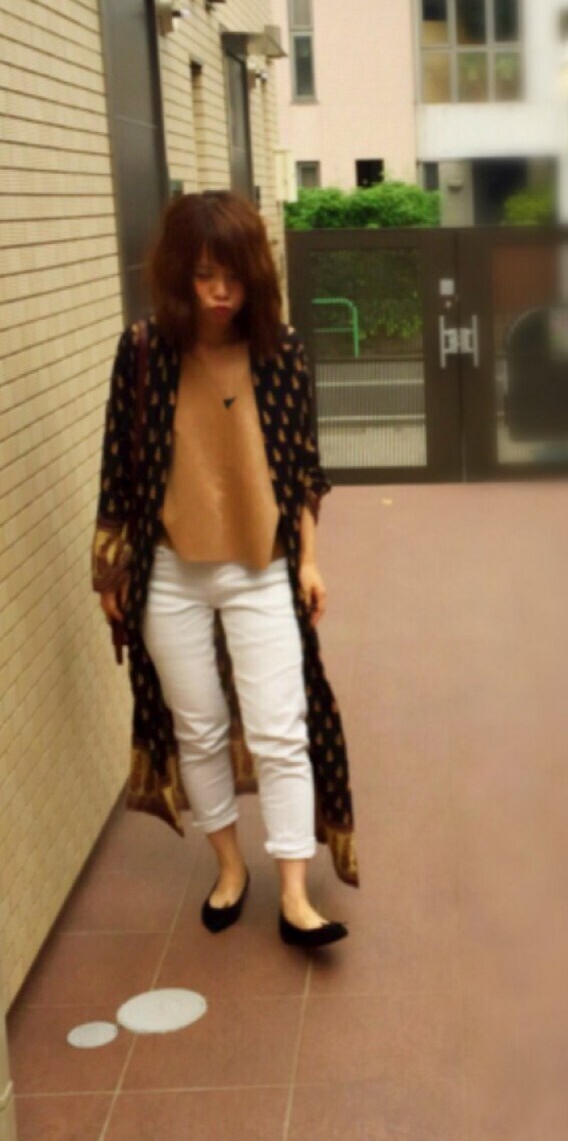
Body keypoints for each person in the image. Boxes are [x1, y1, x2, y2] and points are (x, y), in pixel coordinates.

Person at [92, 190, 358, 948]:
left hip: (261, 566)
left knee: (281, 729)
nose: (220, 292)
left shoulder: (282, 350)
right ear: (179, 272)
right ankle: (230, 868)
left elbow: (303, 468)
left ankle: (296, 895)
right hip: (168, 573)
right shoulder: (144, 351)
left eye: (234, 275)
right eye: (205, 274)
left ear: (256, 276)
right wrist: (111, 574)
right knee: (200, 728)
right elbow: (117, 471)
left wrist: (309, 562)